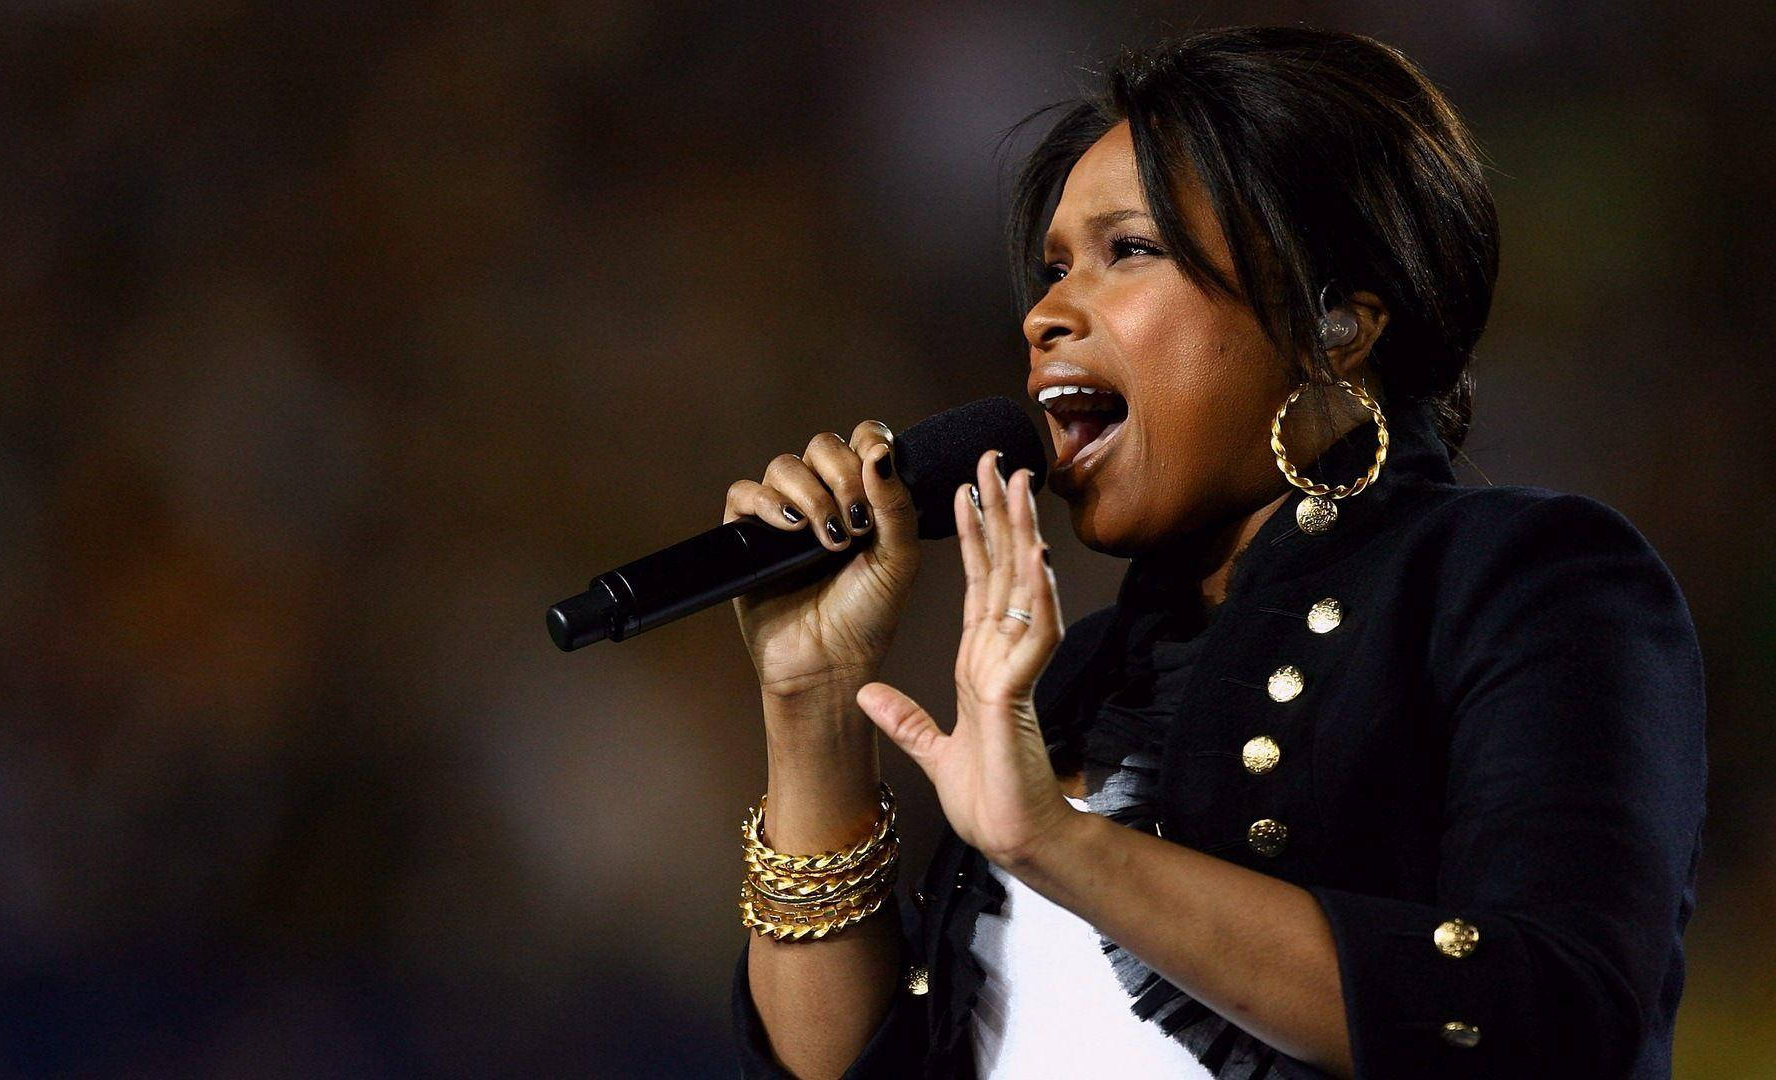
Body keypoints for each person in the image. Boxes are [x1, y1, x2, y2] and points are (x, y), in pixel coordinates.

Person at [721, 25, 1705, 1080]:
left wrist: (1064, 845)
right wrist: (813, 707)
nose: (1047, 313)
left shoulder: (1522, 582)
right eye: (1052, 268)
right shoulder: (1074, 687)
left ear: (1334, 323)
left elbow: (1556, 1021)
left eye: (1128, 250)